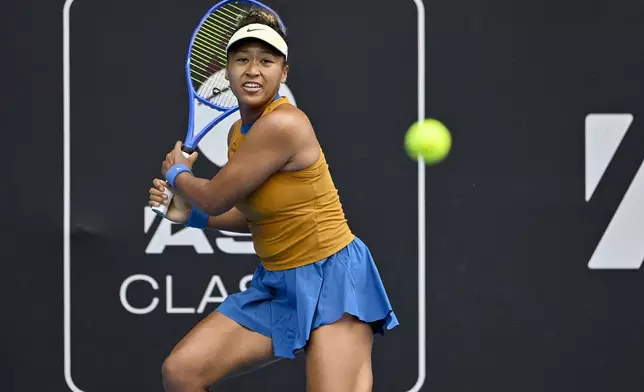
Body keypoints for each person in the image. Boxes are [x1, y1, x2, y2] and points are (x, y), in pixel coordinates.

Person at [148, 7, 398, 392]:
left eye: (267, 60)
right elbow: (254, 217)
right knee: (182, 372)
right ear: (226, 71)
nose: (253, 70)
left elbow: (213, 198)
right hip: (277, 284)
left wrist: (177, 173)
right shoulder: (238, 133)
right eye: (242, 59)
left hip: (334, 279)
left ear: (283, 73)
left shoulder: (284, 124)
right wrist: (188, 218)